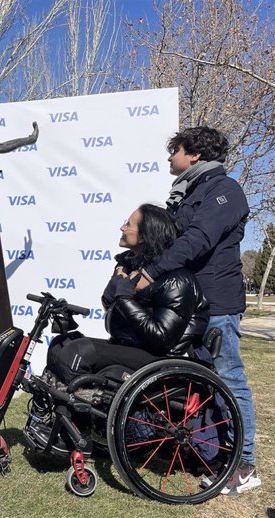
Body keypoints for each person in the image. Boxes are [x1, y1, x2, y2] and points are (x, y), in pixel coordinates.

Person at [134, 126, 259, 496]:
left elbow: (197, 239)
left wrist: (152, 273)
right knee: (199, 380)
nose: (170, 156)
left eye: (176, 150)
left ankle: (244, 465)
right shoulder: (187, 192)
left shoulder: (226, 191)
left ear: (196, 155)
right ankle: (211, 448)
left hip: (217, 303)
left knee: (228, 377)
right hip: (190, 302)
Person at [47, 204, 209, 383]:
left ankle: (80, 403)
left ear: (145, 235)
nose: (122, 228)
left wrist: (124, 298)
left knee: (79, 352)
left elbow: (161, 338)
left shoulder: (177, 280)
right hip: (130, 346)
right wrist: (111, 294)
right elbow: (116, 313)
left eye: (129, 224)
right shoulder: (131, 268)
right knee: (61, 344)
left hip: (160, 358)